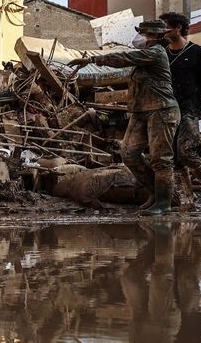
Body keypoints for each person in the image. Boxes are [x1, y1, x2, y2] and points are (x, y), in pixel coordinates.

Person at [70, 19, 181, 215]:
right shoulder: (145, 58)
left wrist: (92, 60)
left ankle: (164, 202)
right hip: (140, 112)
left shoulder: (156, 52)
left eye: (143, 33)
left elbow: (124, 57)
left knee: (161, 158)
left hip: (162, 110)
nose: (139, 37)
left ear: (154, 36)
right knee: (129, 153)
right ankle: (154, 193)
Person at [159, 12, 201, 209]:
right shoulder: (161, 53)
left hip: (189, 110)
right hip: (166, 112)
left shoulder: (197, 52)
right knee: (173, 157)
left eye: (165, 27)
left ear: (178, 27)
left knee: (186, 151)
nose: (163, 32)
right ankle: (187, 200)